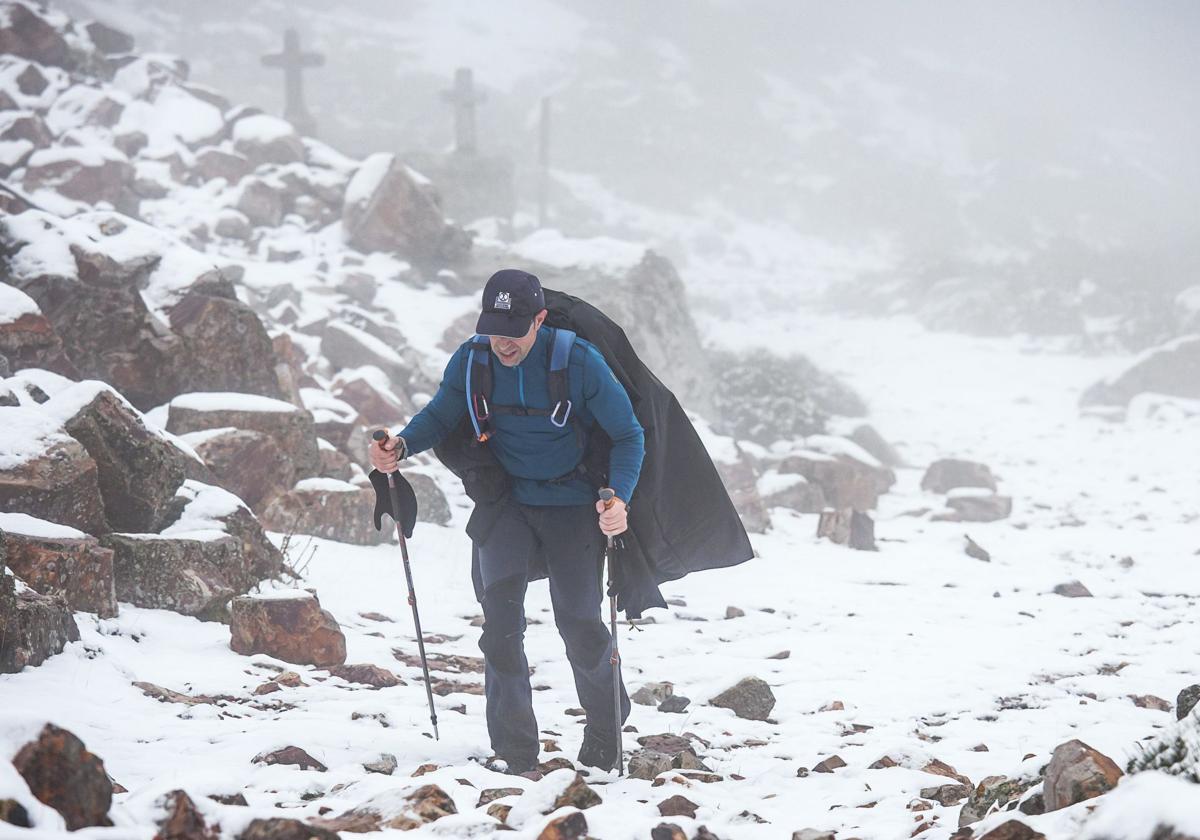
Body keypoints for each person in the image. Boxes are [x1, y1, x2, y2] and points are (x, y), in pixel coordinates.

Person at [368, 268, 644, 776]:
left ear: (539, 318)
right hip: (507, 504)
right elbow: (442, 413)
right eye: (494, 327)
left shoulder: (578, 362)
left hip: (572, 503)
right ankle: (514, 751)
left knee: (580, 626)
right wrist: (402, 446)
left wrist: (619, 500)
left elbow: (628, 434)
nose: (503, 341)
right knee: (500, 627)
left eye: (514, 329)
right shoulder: (474, 358)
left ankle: (606, 726)